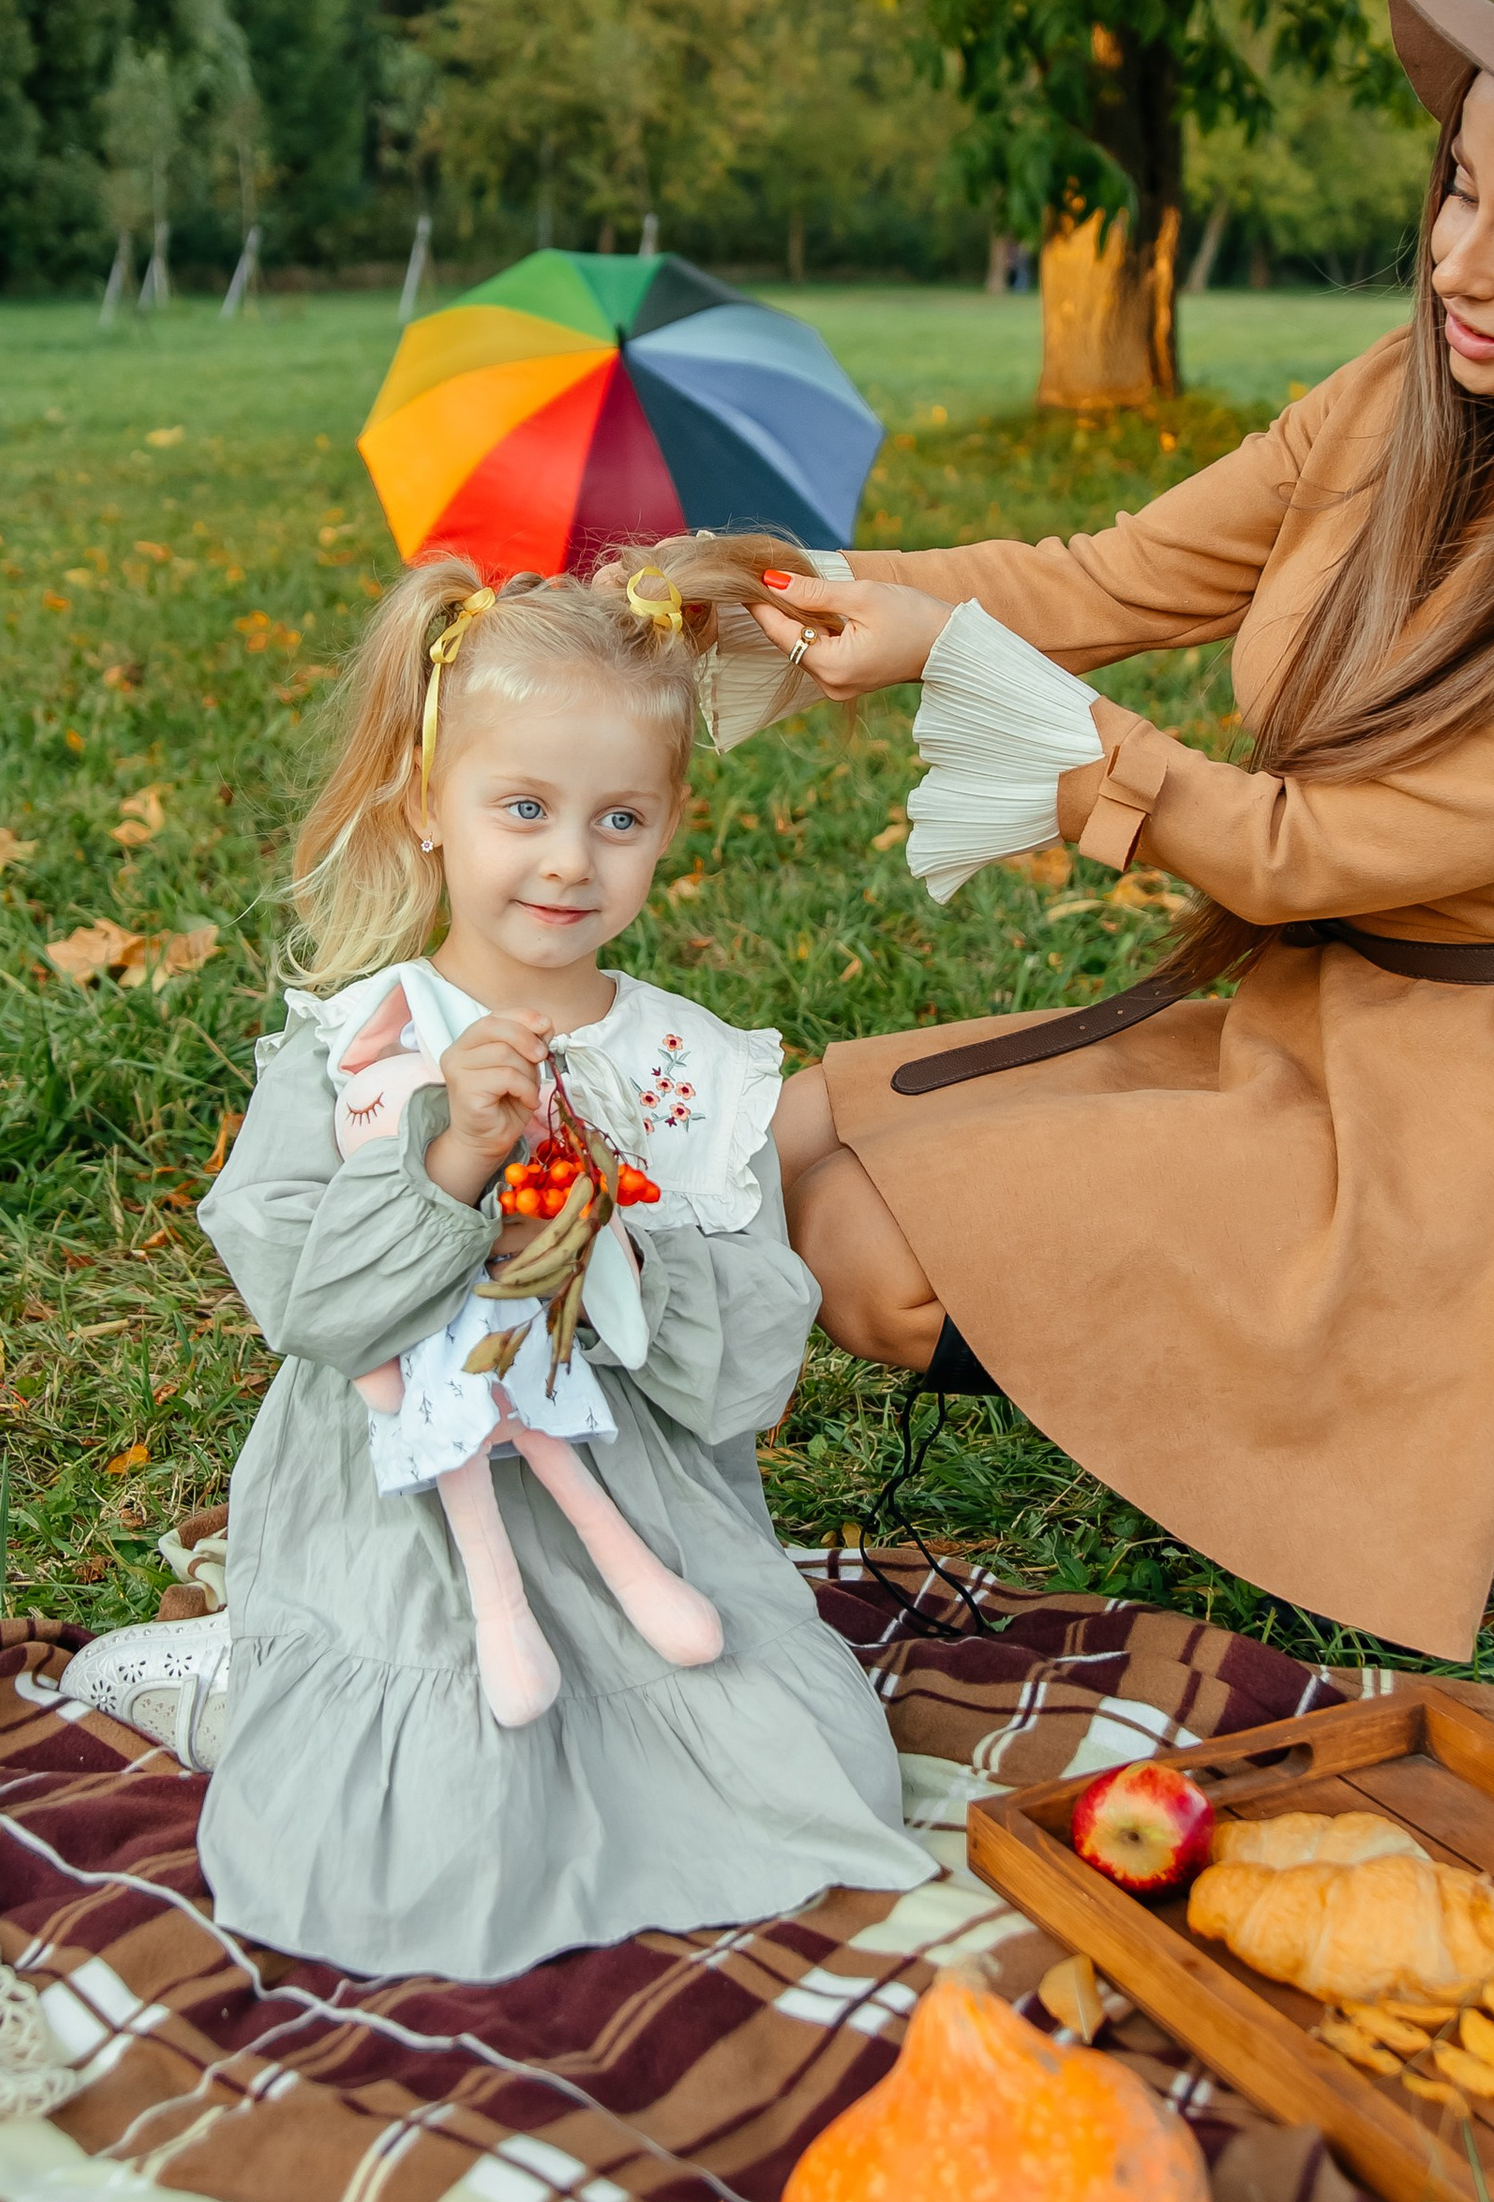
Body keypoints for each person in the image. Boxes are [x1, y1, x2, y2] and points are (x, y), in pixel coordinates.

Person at [753, 0, 1494, 1663]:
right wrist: (796, 584)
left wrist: (1012, 717)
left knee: (860, 1252)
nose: (1458, 269)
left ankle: (1278, 1421)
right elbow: (1112, 572)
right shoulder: (1396, 402)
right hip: (1297, 1015)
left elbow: (1306, 855)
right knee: (778, 1139)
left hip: (1470, 1124)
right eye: (1457, 198)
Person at [62, 542, 932, 1981]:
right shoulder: (364, 1043)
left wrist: (604, 1246)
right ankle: (255, 1672)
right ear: (428, 805)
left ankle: (565, 1711)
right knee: (422, 1844)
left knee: (817, 1765)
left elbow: (744, 1367)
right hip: (402, 1518)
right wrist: (454, 1162)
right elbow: (315, 1311)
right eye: (521, 807)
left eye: (621, 819)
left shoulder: (686, 1067)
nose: (568, 860)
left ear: (670, 826)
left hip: (632, 1506)